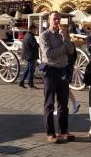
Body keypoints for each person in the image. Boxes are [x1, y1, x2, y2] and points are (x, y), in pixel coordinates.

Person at [39, 12, 76, 143]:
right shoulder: (44, 36)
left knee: (63, 103)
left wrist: (66, 38)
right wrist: (63, 48)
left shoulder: (63, 35)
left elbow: (71, 51)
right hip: (50, 71)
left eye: (59, 19)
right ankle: (50, 133)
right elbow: (49, 54)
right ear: (49, 20)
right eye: (54, 19)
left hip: (63, 71)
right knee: (49, 104)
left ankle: (63, 131)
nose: (57, 21)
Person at [19, 24, 39, 89]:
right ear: (32, 29)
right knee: (31, 70)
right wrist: (40, 44)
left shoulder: (27, 35)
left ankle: (21, 82)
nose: (36, 30)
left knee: (28, 70)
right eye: (35, 29)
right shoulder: (30, 36)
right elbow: (34, 45)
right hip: (31, 56)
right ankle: (30, 84)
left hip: (29, 55)